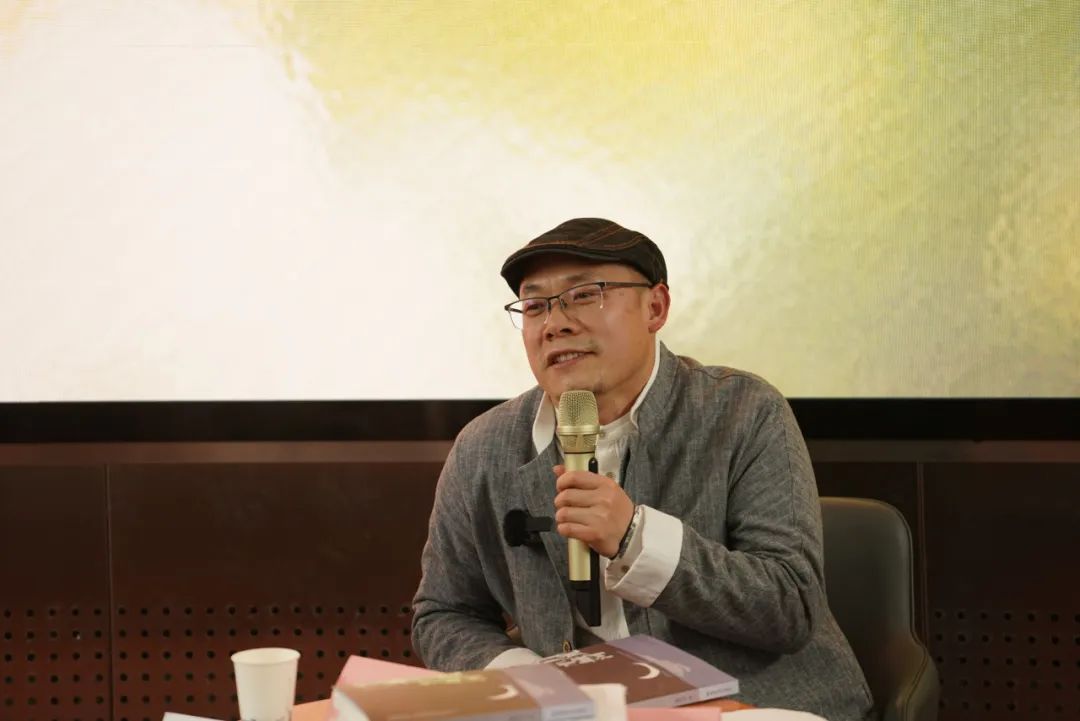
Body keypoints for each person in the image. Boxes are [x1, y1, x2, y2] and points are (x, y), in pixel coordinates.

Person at [411, 218, 873, 720]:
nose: (555, 323)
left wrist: (634, 538)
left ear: (655, 307)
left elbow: (789, 606)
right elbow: (444, 613)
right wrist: (530, 681)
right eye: (536, 305)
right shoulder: (483, 447)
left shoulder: (744, 410)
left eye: (584, 295)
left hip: (752, 706)